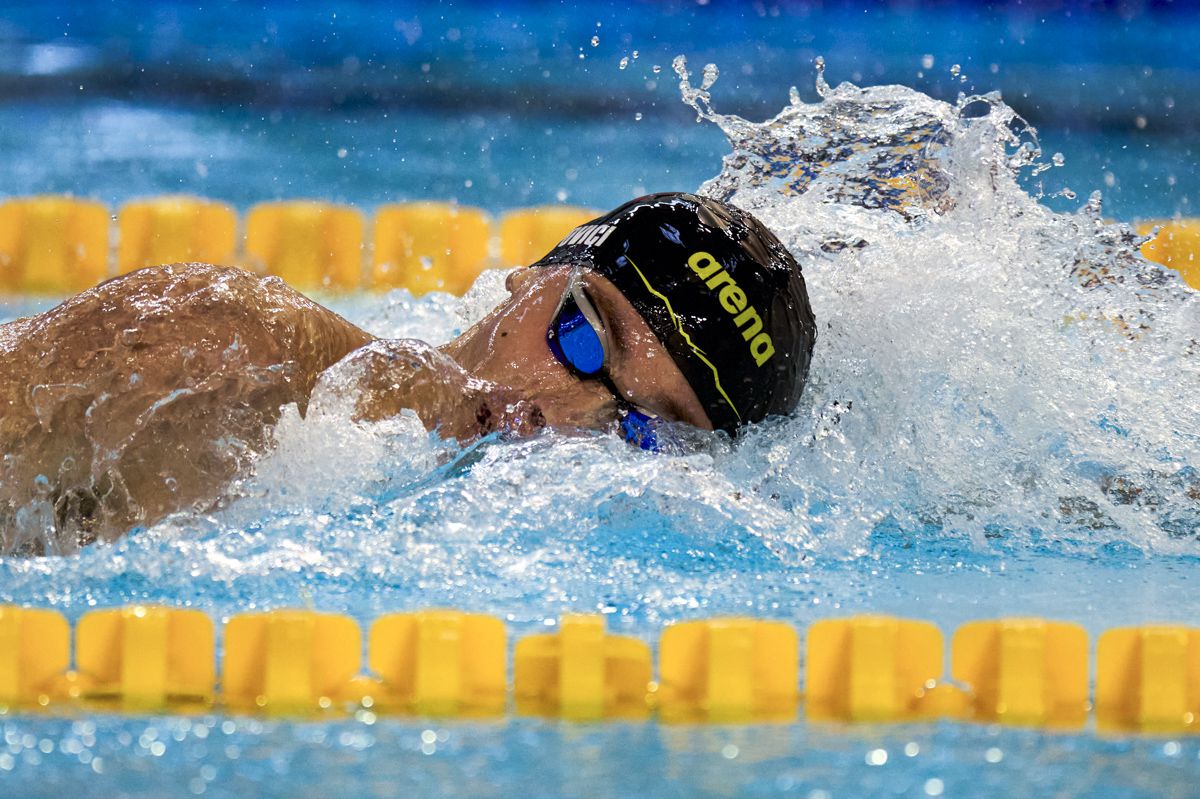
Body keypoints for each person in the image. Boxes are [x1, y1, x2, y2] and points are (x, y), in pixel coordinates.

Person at [0, 192, 816, 554]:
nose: (565, 415)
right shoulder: (232, 351)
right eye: (580, 335)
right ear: (530, 274)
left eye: (641, 427)